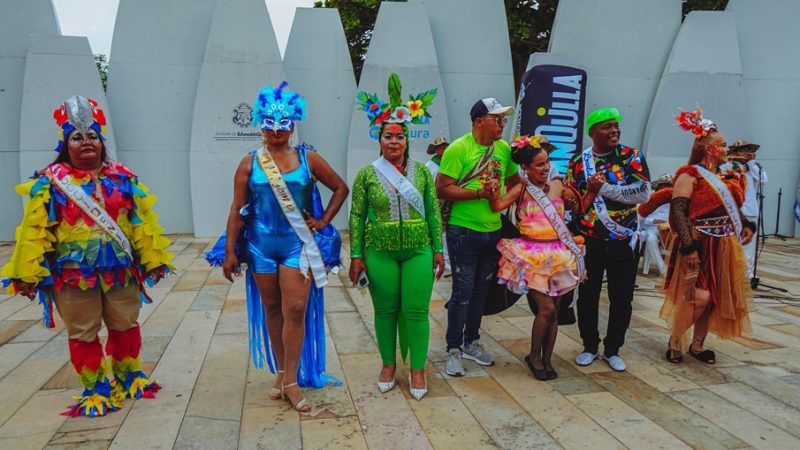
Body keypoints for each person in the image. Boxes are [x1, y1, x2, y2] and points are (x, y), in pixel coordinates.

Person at [1, 95, 174, 417]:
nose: (86, 143)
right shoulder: (50, 183)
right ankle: (95, 388)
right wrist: (26, 271)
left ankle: (128, 375)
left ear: (101, 142)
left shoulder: (123, 177)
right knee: (83, 331)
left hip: (120, 270)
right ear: (66, 144)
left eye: (92, 136)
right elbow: (33, 229)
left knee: (126, 324)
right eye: (77, 138)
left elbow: (141, 222)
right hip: (72, 275)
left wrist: (153, 257)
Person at [221, 82, 349, 413]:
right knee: (273, 308)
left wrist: (323, 222)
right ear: (261, 124)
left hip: (298, 246)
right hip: (262, 246)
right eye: (270, 123)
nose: (277, 130)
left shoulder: (309, 158)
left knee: (295, 309)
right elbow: (236, 210)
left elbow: (340, 188)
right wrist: (231, 251)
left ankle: (291, 381)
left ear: (293, 124)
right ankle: (281, 371)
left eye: (283, 123)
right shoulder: (249, 163)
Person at [349, 73, 444, 400]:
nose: (393, 142)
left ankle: (417, 368)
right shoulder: (366, 174)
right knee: (385, 311)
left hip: (418, 250)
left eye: (399, 137)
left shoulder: (421, 173)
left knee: (417, 310)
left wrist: (438, 249)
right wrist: (356, 255)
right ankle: (388, 364)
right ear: (379, 140)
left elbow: (432, 211)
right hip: (380, 252)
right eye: (388, 136)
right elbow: (357, 216)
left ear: (407, 141)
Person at [489, 135, 587, 380]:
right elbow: (497, 205)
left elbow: (580, 206)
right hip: (531, 255)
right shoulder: (520, 189)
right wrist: (489, 191)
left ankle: (547, 359)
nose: (545, 168)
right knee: (544, 308)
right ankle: (534, 357)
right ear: (525, 167)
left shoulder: (557, 185)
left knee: (555, 310)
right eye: (540, 164)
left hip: (559, 254)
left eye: (547, 162)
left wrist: (580, 199)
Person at [437, 97, 521, 377]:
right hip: (463, 231)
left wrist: (500, 203)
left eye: (503, 120)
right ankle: (452, 349)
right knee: (462, 292)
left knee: (481, 292)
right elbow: (443, 188)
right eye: (496, 119)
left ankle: (471, 342)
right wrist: (478, 194)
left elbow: (515, 184)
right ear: (478, 121)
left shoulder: (504, 149)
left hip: (492, 231)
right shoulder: (458, 149)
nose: (501, 124)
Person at [663, 108, 754, 364]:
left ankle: (698, 344)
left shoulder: (723, 177)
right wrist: (689, 247)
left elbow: (730, 208)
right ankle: (676, 339)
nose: (726, 150)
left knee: (714, 297)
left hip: (724, 243)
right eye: (723, 145)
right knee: (699, 296)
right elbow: (679, 210)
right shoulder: (688, 175)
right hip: (699, 242)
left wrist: (745, 223)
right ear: (709, 149)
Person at [565, 107, 650, 372]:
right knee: (587, 295)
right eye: (606, 127)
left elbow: (642, 192)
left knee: (622, 297)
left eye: (616, 125)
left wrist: (605, 189)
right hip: (589, 241)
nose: (614, 130)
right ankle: (589, 345)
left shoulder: (631, 156)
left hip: (622, 241)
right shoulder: (578, 162)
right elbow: (573, 201)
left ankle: (613, 348)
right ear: (593, 133)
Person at [721, 140, 766, 279]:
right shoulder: (728, 165)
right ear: (735, 152)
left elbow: (764, 179)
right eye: (742, 150)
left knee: (749, 247)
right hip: (736, 211)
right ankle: (729, 275)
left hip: (751, 211)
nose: (746, 153)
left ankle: (747, 277)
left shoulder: (752, 168)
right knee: (732, 244)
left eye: (748, 150)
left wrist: (752, 163)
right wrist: (734, 161)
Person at [637, 174, 673, 275]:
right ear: (659, 186)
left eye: (670, 186)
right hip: (651, 228)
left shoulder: (673, 200)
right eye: (666, 185)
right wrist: (653, 221)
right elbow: (639, 216)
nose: (668, 188)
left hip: (668, 230)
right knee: (651, 240)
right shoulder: (648, 199)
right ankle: (663, 270)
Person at [425, 136, 451, 273]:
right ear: (436, 150)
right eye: (441, 147)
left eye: (446, 146)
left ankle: (445, 258)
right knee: (436, 228)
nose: (444, 149)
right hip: (435, 201)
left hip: (447, 201)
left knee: (445, 229)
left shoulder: (449, 163)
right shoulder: (430, 166)